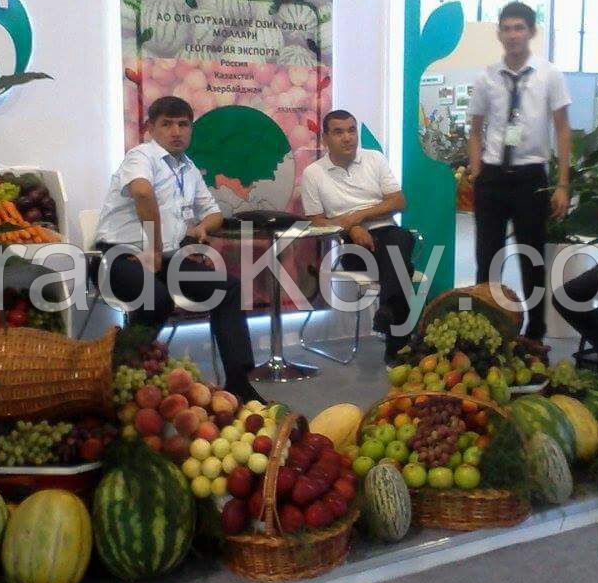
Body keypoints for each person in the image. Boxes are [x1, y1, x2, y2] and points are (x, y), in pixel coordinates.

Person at [94, 96, 263, 402]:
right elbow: (143, 194)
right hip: (116, 256)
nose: (176, 131)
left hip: (165, 258)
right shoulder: (141, 156)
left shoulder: (187, 167)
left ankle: (239, 382)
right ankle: (117, 373)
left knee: (228, 288)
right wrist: (154, 251)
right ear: (151, 128)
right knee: (155, 299)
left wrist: (201, 228)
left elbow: (212, 213)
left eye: (183, 124)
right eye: (167, 124)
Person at [467, 1, 572, 341]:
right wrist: (475, 167)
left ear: (531, 32)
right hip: (493, 178)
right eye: (507, 28)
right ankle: (486, 324)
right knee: (487, 257)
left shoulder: (549, 74)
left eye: (519, 28)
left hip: (531, 178)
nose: (513, 35)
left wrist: (562, 184)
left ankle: (534, 332)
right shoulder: (487, 77)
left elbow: (563, 129)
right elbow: (475, 129)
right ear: (499, 33)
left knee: (532, 261)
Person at [300, 110, 415, 365]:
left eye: (352, 130)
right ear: (325, 138)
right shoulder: (313, 173)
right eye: (339, 132)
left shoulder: (374, 159)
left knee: (399, 240)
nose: (348, 137)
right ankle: (396, 342)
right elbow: (317, 221)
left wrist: (358, 216)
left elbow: (399, 201)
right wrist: (351, 228)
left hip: (386, 232)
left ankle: (388, 310)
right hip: (348, 243)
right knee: (400, 265)